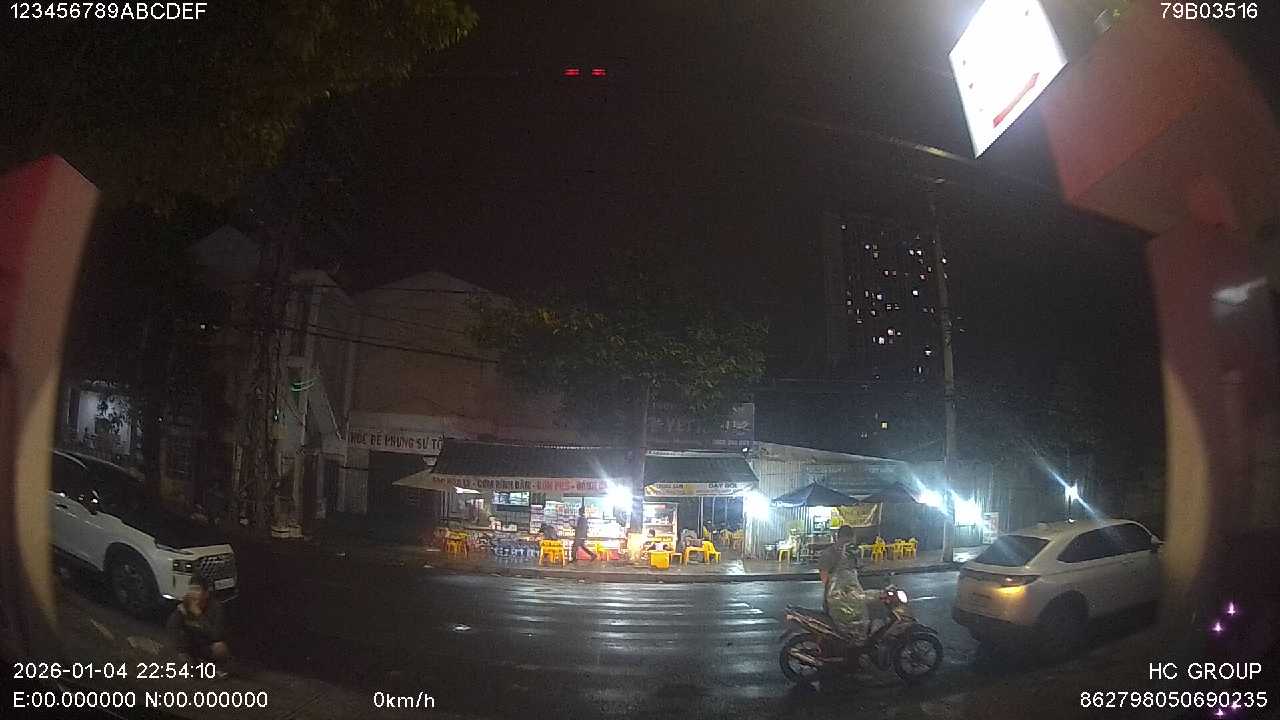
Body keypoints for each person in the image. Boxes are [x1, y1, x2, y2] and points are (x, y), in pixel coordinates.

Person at [166, 574, 231, 676]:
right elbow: (171, 628)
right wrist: (178, 613)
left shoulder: (216, 608)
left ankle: (219, 667)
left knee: (220, 647)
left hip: (208, 645)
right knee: (186, 663)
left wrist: (199, 615)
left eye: (197, 590)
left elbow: (217, 636)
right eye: (191, 589)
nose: (193, 593)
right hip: (191, 644)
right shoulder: (186, 605)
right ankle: (194, 664)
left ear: (206, 594)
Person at [817, 525, 870, 644]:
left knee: (853, 630)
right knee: (837, 631)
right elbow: (825, 579)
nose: (848, 543)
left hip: (852, 600)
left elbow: (857, 570)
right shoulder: (829, 554)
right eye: (846, 540)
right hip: (835, 601)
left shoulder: (851, 553)